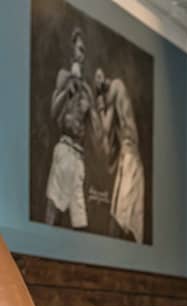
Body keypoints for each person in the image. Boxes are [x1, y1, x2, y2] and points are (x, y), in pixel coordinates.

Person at [45, 27, 100, 229]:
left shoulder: (86, 90)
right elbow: (54, 111)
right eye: (78, 49)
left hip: (79, 158)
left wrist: (93, 108)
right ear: (71, 52)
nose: (81, 54)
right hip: (64, 150)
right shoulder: (63, 77)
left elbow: (95, 131)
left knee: (79, 221)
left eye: (83, 50)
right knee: (53, 209)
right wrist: (67, 92)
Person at [94, 67, 145, 243]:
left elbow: (105, 127)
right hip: (128, 157)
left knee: (123, 215)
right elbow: (107, 140)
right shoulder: (114, 98)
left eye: (100, 75)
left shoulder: (116, 86)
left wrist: (100, 104)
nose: (99, 79)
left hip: (131, 159)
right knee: (119, 214)